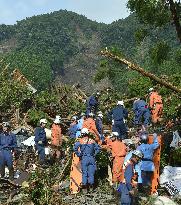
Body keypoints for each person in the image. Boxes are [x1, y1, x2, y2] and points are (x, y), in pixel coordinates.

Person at [73, 128, 100, 193]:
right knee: (91, 173)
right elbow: (98, 148)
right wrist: (94, 154)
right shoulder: (92, 140)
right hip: (91, 158)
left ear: (82, 134)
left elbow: (75, 148)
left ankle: (85, 187)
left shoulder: (80, 141)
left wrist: (79, 154)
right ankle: (91, 186)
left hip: (84, 158)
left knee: (85, 173)